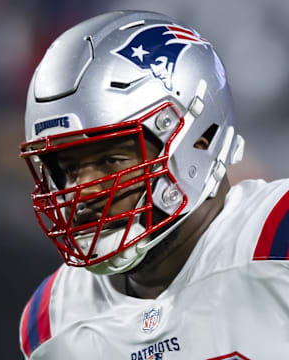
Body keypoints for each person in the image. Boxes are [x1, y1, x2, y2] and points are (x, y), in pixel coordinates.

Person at [18, 10, 289, 360]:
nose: (81, 193)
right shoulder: (53, 318)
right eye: (67, 170)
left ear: (199, 140)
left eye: (111, 160)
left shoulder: (277, 237)